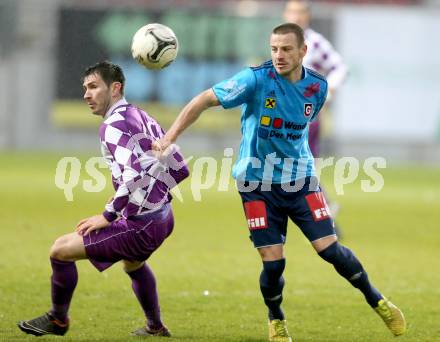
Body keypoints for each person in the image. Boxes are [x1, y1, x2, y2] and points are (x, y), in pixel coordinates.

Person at [153, 23, 406, 342]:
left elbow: (303, 126)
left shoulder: (318, 87)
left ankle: (379, 302)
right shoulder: (255, 80)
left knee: (330, 250)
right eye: (274, 49)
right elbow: (204, 99)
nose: (279, 55)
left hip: (300, 182)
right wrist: (169, 137)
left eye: (286, 49)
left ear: (303, 51)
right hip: (256, 185)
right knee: (273, 264)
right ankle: (276, 320)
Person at [17, 61, 189, 337]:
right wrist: (152, 196)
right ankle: (155, 327)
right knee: (134, 265)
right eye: (85, 88)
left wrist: (108, 215)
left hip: (141, 225)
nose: (86, 94)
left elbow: (134, 174)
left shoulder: (113, 125)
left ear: (115, 88)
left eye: (94, 87)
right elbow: (180, 167)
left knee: (59, 251)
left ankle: (58, 319)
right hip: (164, 218)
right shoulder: (142, 116)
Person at [284, 0, 348, 236]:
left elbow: (340, 68)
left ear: (307, 16)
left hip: (306, 116)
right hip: (283, 114)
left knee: (300, 167)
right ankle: (321, 211)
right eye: (292, 11)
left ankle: (322, 213)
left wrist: (327, 91)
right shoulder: (282, 42)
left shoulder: (315, 43)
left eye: (300, 12)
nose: (296, 16)